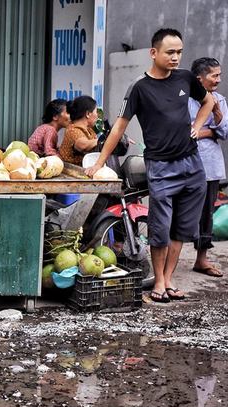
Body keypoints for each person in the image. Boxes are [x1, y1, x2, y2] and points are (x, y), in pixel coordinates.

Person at [85, 28, 215, 303]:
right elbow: (119, 127)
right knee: (159, 228)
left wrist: (197, 125)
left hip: (192, 165)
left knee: (181, 228)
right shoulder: (140, 88)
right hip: (161, 167)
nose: (176, 57)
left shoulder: (186, 78)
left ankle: (168, 280)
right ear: (153, 53)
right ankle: (158, 282)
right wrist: (98, 162)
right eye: (170, 52)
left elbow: (208, 101)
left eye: (179, 52)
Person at [189, 57, 227, 278]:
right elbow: (184, 132)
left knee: (207, 214)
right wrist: (209, 131)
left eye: (219, 75)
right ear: (199, 78)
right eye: (214, 75)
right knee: (180, 210)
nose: (218, 80)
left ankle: (201, 259)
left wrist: (218, 118)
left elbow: (225, 132)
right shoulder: (185, 101)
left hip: (210, 166)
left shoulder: (219, 99)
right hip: (186, 164)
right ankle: (166, 263)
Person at [59, 95, 99, 165]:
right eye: (96, 111)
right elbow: (83, 146)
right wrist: (103, 141)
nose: (97, 115)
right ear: (88, 114)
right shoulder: (72, 130)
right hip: (71, 174)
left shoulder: (90, 130)